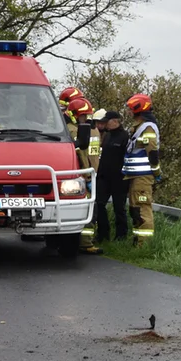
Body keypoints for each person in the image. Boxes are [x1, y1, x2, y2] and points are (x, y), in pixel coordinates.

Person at [66, 97, 103, 255]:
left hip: (91, 174)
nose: (85, 119)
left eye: (87, 115)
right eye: (83, 116)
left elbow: (93, 154)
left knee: (90, 210)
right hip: (83, 176)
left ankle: (86, 241)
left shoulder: (85, 129)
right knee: (86, 210)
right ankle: (85, 243)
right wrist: (88, 178)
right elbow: (81, 156)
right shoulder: (73, 130)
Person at [123, 93, 161, 245]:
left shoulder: (148, 128)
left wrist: (156, 172)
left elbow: (152, 152)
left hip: (143, 177)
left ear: (138, 109)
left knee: (142, 209)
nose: (128, 112)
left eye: (130, 109)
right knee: (136, 210)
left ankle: (144, 245)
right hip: (135, 177)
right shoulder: (138, 128)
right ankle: (137, 240)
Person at [95, 110, 130, 242]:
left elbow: (127, 158)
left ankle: (121, 237)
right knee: (99, 204)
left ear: (115, 121)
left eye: (107, 121)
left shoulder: (125, 137)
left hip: (119, 180)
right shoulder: (107, 136)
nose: (105, 123)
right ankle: (103, 234)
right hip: (104, 178)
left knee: (119, 209)